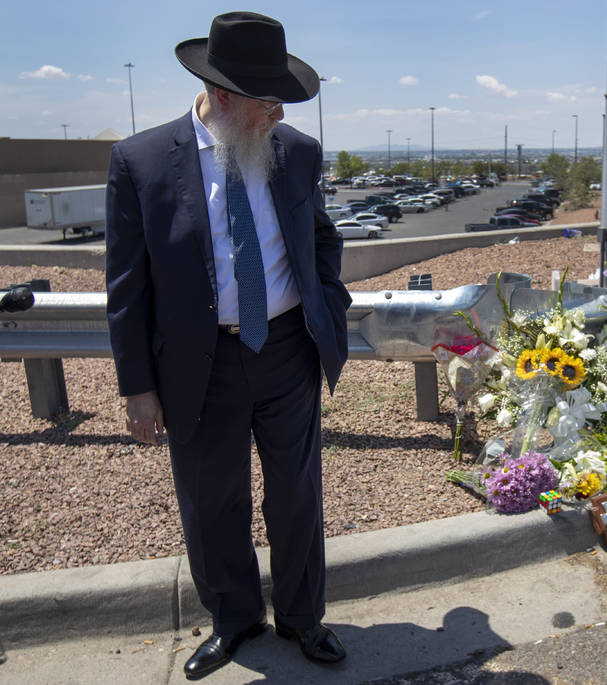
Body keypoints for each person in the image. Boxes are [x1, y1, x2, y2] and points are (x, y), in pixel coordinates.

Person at [105, 12, 351, 679]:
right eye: (266, 99)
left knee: (297, 496)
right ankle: (234, 619)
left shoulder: (295, 152)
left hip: (288, 352)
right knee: (213, 501)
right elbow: (126, 287)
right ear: (221, 95)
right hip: (197, 365)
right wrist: (136, 387)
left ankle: (303, 617)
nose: (278, 112)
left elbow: (323, 239)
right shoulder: (142, 162)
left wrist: (331, 309)